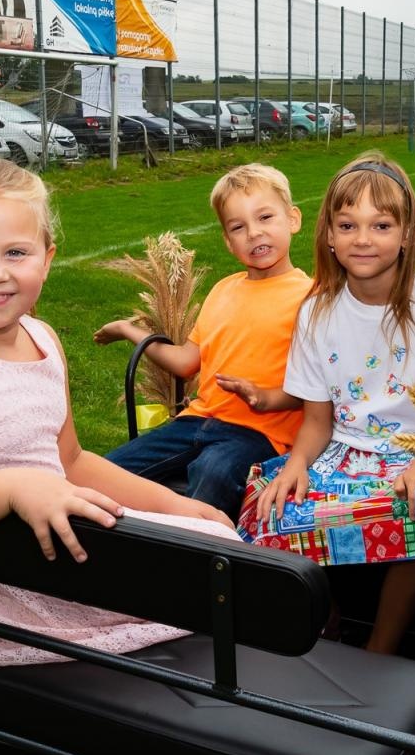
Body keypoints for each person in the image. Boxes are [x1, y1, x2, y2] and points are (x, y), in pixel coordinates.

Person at [0, 157, 236, 669]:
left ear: (47, 258)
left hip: (45, 558)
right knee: (229, 590)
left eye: (16, 252)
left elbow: (70, 462)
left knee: (213, 539)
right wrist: (9, 489)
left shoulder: (41, 337)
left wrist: (175, 505)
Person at [240, 153, 415, 655]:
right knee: (267, 509)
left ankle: (380, 649)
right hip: (347, 450)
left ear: (407, 234)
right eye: (347, 224)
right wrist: (296, 464)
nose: (362, 239)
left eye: (381, 225)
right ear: (329, 236)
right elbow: (317, 421)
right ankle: (325, 624)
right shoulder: (316, 312)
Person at [96, 163, 311, 518]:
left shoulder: (310, 297)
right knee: (105, 472)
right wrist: (128, 329)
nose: (254, 233)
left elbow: (319, 389)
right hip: (195, 422)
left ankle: (199, 562)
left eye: (265, 218)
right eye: (238, 227)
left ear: (292, 219)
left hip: (258, 433)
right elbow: (185, 361)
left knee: (213, 472)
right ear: (228, 241)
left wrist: (262, 397)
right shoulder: (223, 290)